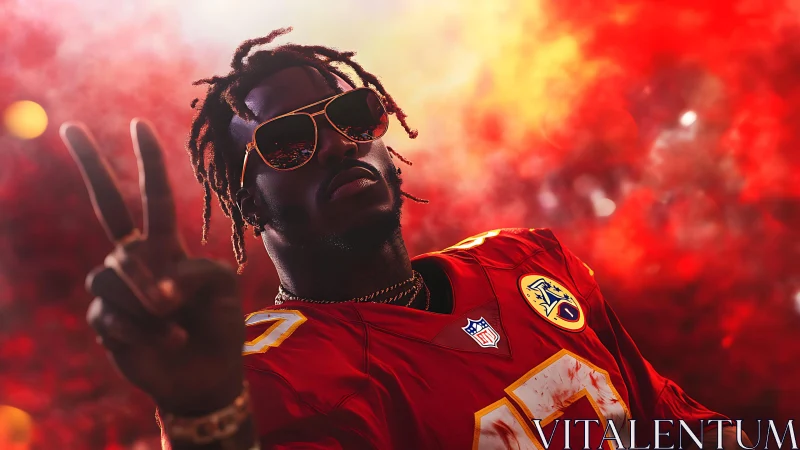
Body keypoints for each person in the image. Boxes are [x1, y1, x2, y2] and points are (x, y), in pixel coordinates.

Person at [59, 28, 749, 450]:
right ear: (246, 200)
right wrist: (207, 420)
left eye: (353, 115)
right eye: (290, 141)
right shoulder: (275, 375)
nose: (335, 145)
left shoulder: (530, 258)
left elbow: (669, 418)